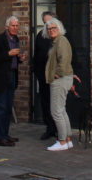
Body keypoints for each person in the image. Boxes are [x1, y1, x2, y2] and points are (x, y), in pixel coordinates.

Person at [0, 15, 25, 147]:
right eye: (13, 26)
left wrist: (19, 59)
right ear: (7, 26)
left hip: (12, 76)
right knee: (1, 108)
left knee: (9, 107)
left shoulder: (16, 39)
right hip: (1, 78)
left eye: (17, 26)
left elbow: (14, 60)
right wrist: (8, 54)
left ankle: (5, 134)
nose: (15, 28)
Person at [44, 16, 74, 151]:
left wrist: (57, 74)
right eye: (49, 28)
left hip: (60, 80)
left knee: (56, 111)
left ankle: (61, 141)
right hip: (63, 78)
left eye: (53, 28)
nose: (51, 30)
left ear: (59, 28)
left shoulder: (61, 41)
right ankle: (67, 139)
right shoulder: (57, 41)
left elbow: (64, 60)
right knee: (62, 110)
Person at [33, 10, 57, 140]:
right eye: (45, 23)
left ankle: (59, 128)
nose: (47, 26)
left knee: (57, 104)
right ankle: (49, 128)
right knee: (45, 102)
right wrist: (36, 71)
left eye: (50, 22)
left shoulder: (60, 37)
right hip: (43, 76)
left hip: (56, 77)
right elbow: (36, 54)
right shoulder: (40, 36)